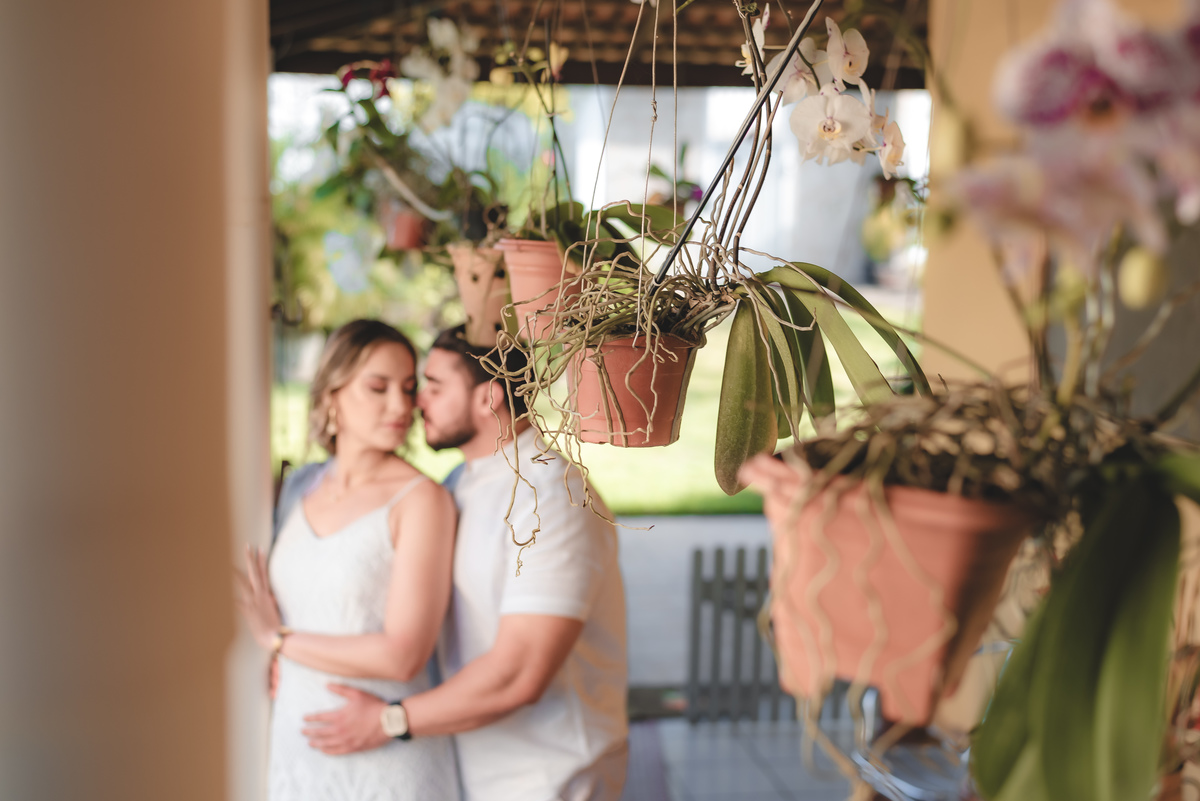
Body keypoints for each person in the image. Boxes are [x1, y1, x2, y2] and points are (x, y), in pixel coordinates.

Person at [301, 326, 630, 801]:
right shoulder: (459, 482)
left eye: (433, 387)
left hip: (550, 774)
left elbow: (520, 671)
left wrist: (389, 720)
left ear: (488, 398)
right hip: (468, 762)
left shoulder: (553, 497)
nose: (416, 403)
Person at [236, 319, 459, 801]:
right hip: (295, 757)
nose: (401, 406)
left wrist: (278, 640)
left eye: (407, 387)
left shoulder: (422, 502)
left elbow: (402, 656)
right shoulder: (298, 488)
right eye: (377, 387)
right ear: (331, 393)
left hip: (385, 762)